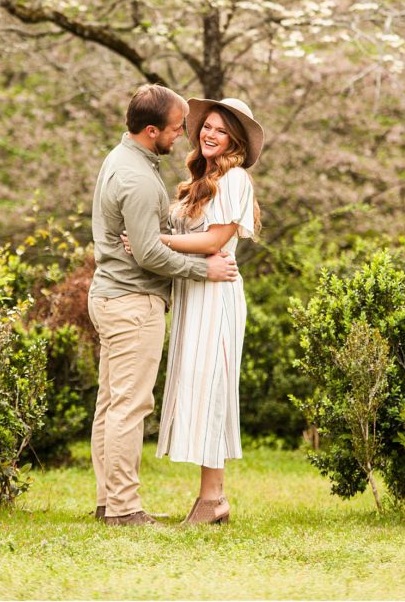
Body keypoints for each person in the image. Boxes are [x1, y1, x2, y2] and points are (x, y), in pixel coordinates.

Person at [88, 84, 239, 527]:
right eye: (176, 129)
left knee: (111, 404)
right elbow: (150, 253)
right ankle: (123, 509)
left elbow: (149, 241)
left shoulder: (125, 160)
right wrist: (203, 271)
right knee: (130, 406)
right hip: (132, 301)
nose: (182, 136)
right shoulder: (135, 177)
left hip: (114, 296)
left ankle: (108, 503)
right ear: (151, 130)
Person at [122, 96, 263, 526]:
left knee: (213, 388)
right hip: (192, 293)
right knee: (199, 390)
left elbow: (211, 243)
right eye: (207, 127)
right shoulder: (200, 181)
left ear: (234, 139)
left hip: (216, 294)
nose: (209, 134)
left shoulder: (235, 179)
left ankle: (212, 500)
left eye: (221, 130)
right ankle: (211, 498)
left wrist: (153, 242)